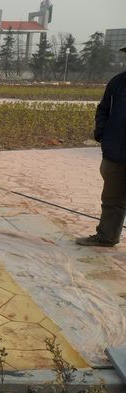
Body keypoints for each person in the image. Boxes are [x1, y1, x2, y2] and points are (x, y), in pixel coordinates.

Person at [76, 46, 126, 247]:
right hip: (115, 152)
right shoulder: (118, 83)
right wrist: (102, 134)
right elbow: (103, 109)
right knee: (112, 199)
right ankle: (107, 236)